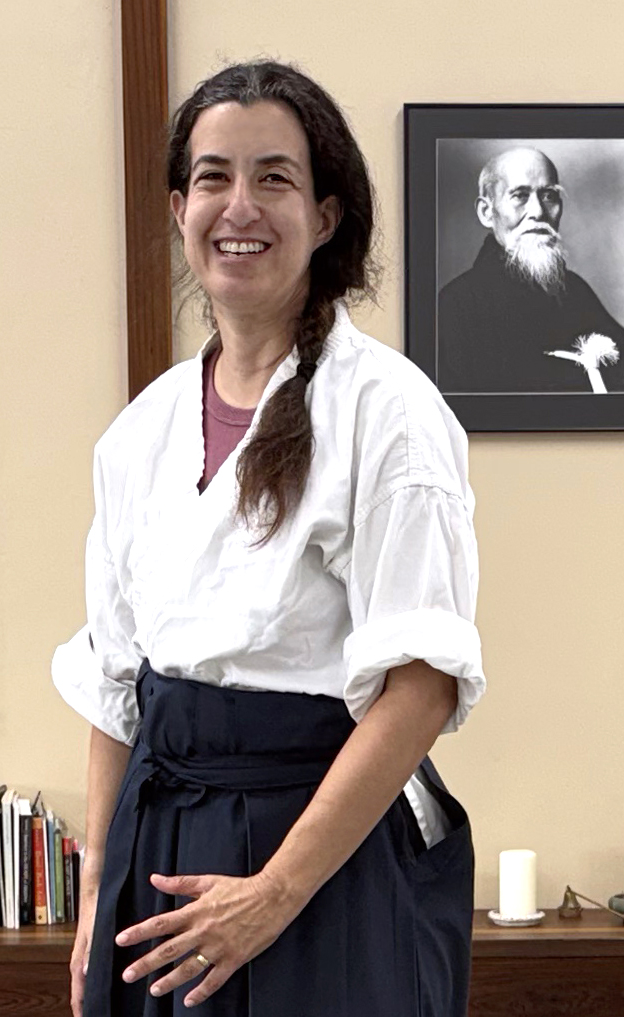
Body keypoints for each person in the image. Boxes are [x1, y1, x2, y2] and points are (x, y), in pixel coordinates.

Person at [52, 60, 486, 1017]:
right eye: (212, 176)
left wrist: (270, 896)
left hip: (317, 854)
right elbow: (116, 685)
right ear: (178, 206)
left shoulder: (388, 413)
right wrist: (92, 899)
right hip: (157, 848)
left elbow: (421, 683)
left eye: (273, 177)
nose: (237, 204)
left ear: (325, 214)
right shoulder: (140, 433)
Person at [437, 146, 624, 395]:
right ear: (487, 212)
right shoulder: (453, 306)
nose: (538, 211)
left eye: (549, 195)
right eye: (520, 196)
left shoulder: (576, 291)